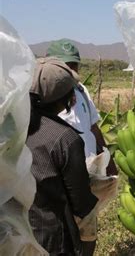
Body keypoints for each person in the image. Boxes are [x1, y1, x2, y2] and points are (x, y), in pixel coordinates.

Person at [27, 57, 98, 255]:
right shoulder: (65, 139)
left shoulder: (13, 129)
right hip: (52, 239)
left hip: (16, 230)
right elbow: (82, 203)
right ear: (65, 98)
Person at [46, 39, 118, 174]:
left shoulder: (81, 91)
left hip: (89, 171)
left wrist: (109, 164)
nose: (70, 71)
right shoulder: (43, 99)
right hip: (60, 176)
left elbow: (94, 128)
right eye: (64, 66)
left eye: (74, 65)